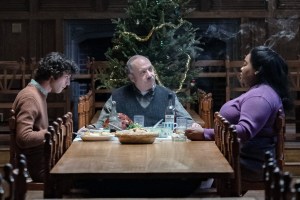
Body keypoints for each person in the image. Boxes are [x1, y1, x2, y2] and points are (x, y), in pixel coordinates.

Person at [185, 46, 293, 182]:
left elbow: (244, 131)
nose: (241, 69)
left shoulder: (260, 96)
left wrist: (205, 133)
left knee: (185, 163)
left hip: (246, 163)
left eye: (245, 64)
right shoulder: (261, 91)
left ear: (258, 70)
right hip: (239, 155)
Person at [12, 52, 79, 182]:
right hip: (38, 169)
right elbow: (23, 138)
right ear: (53, 76)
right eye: (66, 77)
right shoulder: (30, 97)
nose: (68, 83)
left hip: (43, 161)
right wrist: (53, 131)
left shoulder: (39, 94)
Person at [89, 55, 199, 129]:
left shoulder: (168, 95)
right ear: (132, 78)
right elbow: (100, 124)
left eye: (150, 69)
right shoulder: (118, 96)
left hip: (161, 151)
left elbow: (188, 121)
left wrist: (194, 126)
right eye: (143, 72)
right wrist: (90, 129)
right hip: (126, 152)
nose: (150, 75)